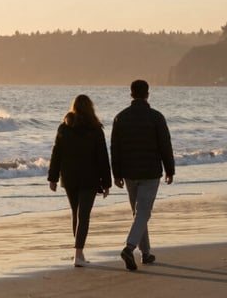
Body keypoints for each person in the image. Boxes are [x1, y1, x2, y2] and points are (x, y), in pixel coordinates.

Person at [111, 79, 175, 271]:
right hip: (150, 171)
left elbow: (115, 149)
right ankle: (129, 247)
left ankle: (145, 253)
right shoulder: (156, 117)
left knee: (139, 213)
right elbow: (165, 145)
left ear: (131, 94)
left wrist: (116, 174)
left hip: (129, 172)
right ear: (147, 94)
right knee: (143, 212)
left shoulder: (120, 117)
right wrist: (170, 170)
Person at [47, 94, 111, 267]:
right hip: (89, 178)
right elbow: (102, 158)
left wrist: (52, 178)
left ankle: (79, 252)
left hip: (69, 178)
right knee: (84, 215)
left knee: (76, 213)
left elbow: (56, 154)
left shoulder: (64, 128)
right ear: (90, 108)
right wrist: (106, 183)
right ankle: (78, 253)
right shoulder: (96, 129)